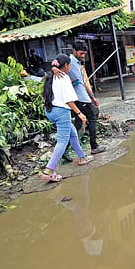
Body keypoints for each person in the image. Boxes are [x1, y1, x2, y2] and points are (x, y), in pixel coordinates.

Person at [41, 54, 94, 182]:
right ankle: (49, 170)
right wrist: (80, 114)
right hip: (61, 111)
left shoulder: (51, 76)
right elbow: (68, 100)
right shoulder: (63, 77)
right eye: (69, 64)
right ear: (65, 66)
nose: (70, 67)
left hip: (50, 110)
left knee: (72, 133)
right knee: (62, 141)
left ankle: (82, 157)